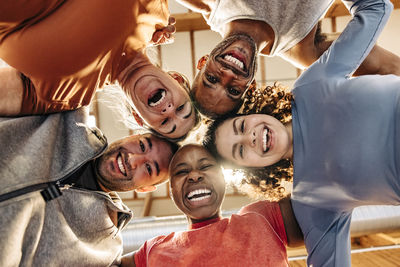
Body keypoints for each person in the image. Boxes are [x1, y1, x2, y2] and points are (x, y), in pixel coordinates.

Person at [204, 0, 400, 265]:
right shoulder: (310, 199)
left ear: (252, 112)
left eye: (241, 126)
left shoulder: (310, 85)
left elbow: (375, 8)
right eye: (240, 150)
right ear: (253, 170)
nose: (249, 137)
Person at [0, 107, 179, 266]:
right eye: (141, 145)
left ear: (144, 189)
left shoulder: (104, 249)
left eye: (148, 168)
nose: (132, 159)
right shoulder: (69, 114)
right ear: (132, 136)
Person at [0, 0, 198, 139]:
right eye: (182, 109)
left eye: (165, 123)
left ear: (139, 118)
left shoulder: (67, 96)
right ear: (177, 79)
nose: (168, 110)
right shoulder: (155, 13)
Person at [176, 0, 400, 118]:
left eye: (212, 79)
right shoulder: (303, 50)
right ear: (250, 87)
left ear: (203, 62)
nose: (228, 75)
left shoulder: (213, 4)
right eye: (233, 90)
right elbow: (387, 67)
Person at [120, 144, 303, 267]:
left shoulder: (262, 218)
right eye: (182, 171)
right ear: (172, 190)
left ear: (223, 179)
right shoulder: (152, 251)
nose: (194, 175)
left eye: (206, 166)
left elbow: (319, 200)